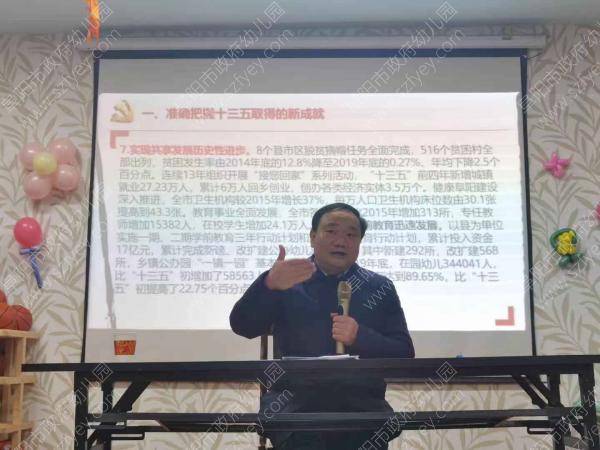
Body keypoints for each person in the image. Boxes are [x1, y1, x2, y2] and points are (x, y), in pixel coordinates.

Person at [230, 203, 415, 449]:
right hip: (295, 410)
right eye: (331, 231)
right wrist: (268, 285)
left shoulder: (379, 287)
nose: (341, 241)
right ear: (312, 237)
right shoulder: (287, 280)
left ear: (359, 242)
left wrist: (360, 337)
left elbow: (404, 354)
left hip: (362, 412)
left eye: (351, 234)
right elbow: (242, 326)